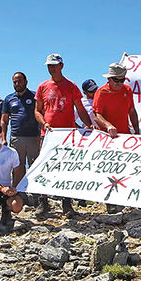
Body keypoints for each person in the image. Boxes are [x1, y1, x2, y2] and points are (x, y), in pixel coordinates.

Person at [33, 53, 93, 218]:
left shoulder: (71, 86)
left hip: (67, 135)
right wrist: (43, 122)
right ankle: (42, 202)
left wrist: (88, 124)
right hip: (48, 134)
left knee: (67, 168)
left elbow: (80, 109)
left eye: (54, 65)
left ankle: (67, 203)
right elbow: (37, 110)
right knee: (43, 168)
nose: (51, 68)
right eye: (48, 66)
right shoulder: (42, 86)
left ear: (61, 66)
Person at [2, 72, 41, 187]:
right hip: (16, 137)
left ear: (26, 82)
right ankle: (19, 194)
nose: (17, 84)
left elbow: (40, 114)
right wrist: (3, 138)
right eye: (15, 82)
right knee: (18, 167)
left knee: (35, 165)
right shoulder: (9, 99)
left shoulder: (35, 97)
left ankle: (37, 194)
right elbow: (4, 120)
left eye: (20, 81)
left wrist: (41, 135)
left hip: (33, 137)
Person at [93, 63, 140, 138]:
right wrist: (108, 126)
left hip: (125, 135)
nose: (119, 83)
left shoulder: (127, 90)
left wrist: (137, 131)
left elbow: (132, 111)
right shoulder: (101, 92)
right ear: (109, 79)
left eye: (122, 80)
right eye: (116, 80)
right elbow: (96, 116)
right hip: (106, 136)